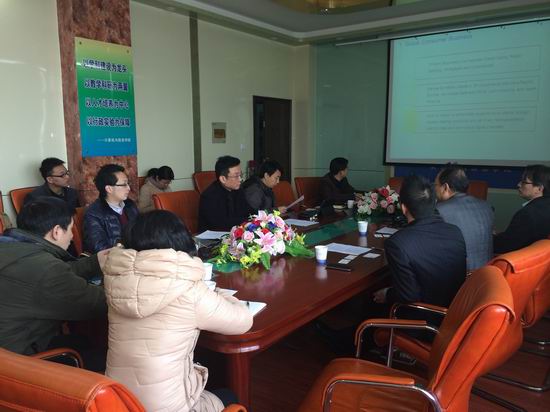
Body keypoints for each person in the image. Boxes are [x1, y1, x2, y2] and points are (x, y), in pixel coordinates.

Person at [103, 210, 253, 411]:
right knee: (229, 396)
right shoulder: (189, 290)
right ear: (180, 240)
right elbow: (242, 321)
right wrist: (218, 293)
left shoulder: (114, 283)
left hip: (116, 402)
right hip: (170, 408)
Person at [0, 198, 107, 370]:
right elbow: (98, 304)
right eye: (71, 229)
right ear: (56, 231)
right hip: (16, 365)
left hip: (9, 346)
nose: (72, 236)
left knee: (81, 340)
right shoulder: (45, 269)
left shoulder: (11, 249)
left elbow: (47, 276)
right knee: (107, 358)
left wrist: (95, 262)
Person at [373, 175, 466, 310]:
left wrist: (387, 294)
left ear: (403, 208)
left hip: (426, 316)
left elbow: (408, 296)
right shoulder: (455, 231)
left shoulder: (397, 243)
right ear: (434, 202)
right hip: (458, 310)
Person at [435, 164, 494, 271]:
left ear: (445, 187)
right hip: (487, 274)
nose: (435, 189)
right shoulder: (486, 206)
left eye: (436, 185)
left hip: (459, 275)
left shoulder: (440, 210)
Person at [494, 164, 550, 253]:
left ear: (539, 188)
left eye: (524, 182)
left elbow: (505, 246)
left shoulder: (527, 214)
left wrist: (488, 237)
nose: (519, 184)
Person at [83, 164, 139, 253]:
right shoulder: (94, 213)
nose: (128, 188)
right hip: (114, 257)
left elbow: (141, 231)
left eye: (128, 183)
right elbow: (98, 246)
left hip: (136, 253)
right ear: (109, 189)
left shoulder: (130, 205)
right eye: (124, 184)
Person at [198, 156, 252, 232]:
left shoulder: (238, 190)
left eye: (241, 175)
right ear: (223, 179)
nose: (240, 179)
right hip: (214, 236)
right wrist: (246, 221)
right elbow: (220, 224)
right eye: (236, 176)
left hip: (235, 232)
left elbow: (249, 212)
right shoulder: (209, 196)